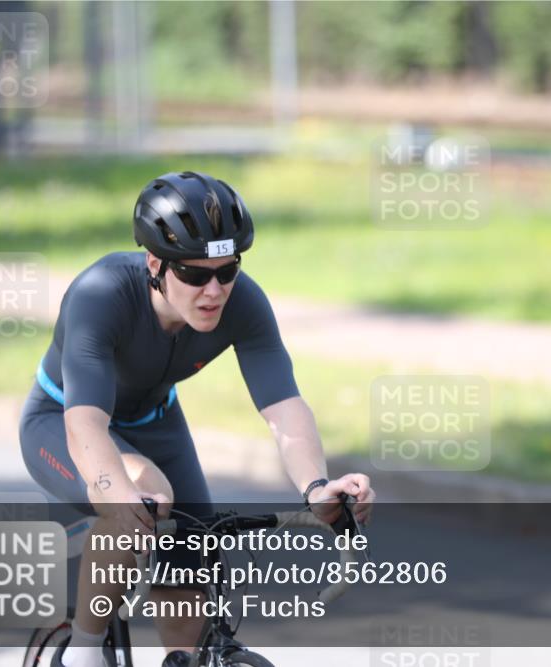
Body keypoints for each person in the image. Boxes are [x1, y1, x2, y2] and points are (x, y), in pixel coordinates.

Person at [19, 171, 375, 667]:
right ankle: (81, 653)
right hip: (60, 421)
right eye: (194, 274)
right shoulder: (100, 294)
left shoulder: (243, 302)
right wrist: (122, 497)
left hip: (156, 422)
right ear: (155, 264)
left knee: (194, 550)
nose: (214, 290)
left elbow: (284, 407)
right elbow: (86, 427)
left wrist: (316, 487)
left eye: (227, 271)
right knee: (143, 498)